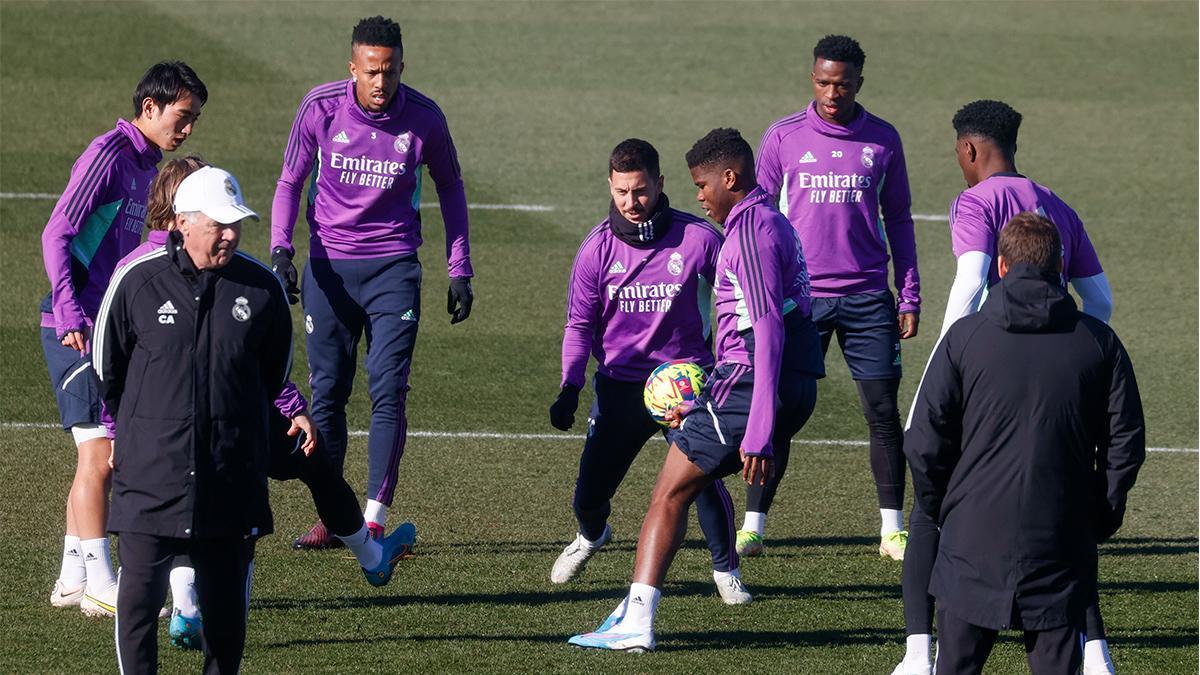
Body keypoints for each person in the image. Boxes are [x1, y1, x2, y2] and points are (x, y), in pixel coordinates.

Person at [111, 159, 415, 653]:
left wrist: (117, 428)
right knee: (254, 483)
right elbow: (252, 364)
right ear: (182, 216)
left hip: (179, 435)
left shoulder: (146, 265)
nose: (228, 231)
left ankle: (188, 605)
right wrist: (293, 402)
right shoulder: (150, 276)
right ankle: (368, 554)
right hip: (228, 429)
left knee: (185, 507)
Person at [568, 128, 824, 652]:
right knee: (682, 488)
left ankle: (637, 620)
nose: (700, 195)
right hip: (789, 381)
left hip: (748, 380)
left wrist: (758, 428)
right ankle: (640, 607)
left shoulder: (748, 230)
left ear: (730, 178)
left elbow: (769, 325)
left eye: (703, 184)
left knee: (667, 493)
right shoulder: (774, 221)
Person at [893, 100, 1115, 675]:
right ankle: (1096, 651)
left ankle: (919, 652)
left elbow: (968, 285)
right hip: (1052, 380)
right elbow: (1103, 303)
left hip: (985, 379)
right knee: (1061, 516)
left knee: (929, 513)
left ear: (968, 149)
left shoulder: (976, 201)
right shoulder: (1057, 207)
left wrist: (943, 369)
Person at [904, 213, 1144, 675]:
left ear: (1000, 266)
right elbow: (1125, 445)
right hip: (1060, 539)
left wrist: (941, 510)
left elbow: (925, 440)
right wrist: (1099, 516)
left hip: (970, 541)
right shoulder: (1099, 344)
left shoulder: (963, 338)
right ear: (1061, 266)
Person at [271, 15, 474, 549]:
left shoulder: (425, 118)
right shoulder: (319, 108)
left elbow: (451, 188)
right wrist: (280, 248)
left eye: (389, 71)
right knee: (329, 392)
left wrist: (460, 268)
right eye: (370, 71)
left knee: (387, 388)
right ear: (352, 68)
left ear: (401, 67)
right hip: (328, 272)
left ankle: (375, 515)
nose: (380, 82)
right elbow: (291, 180)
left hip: (393, 270)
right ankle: (336, 518)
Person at [93, 166, 284, 673]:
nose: (229, 233)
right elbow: (106, 369)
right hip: (151, 479)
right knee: (137, 608)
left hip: (230, 480)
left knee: (225, 621)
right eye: (218, 223)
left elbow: (273, 375)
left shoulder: (261, 288)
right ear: (181, 223)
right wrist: (144, 429)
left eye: (235, 222)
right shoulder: (136, 281)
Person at [548, 138, 748, 604]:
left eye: (639, 191)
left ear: (659, 184)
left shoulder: (699, 239)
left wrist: (725, 367)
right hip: (620, 386)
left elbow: (737, 301)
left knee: (702, 480)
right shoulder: (595, 250)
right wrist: (569, 387)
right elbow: (579, 325)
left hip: (688, 386)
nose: (631, 203)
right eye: (621, 192)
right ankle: (592, 535)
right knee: (588, 495)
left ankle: (726, 569)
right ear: (610, 187)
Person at [40, 61, 207, 617]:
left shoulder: (144, 164)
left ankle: (71, 576)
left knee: (97, 453)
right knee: (101, 455)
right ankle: (100, 583)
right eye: (182, 117)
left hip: (102, 323)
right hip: (75, 328)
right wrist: (68, 311)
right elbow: (57, 231)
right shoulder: (109, 154)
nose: (185, 130)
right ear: (151, 106)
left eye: (194, 121)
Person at [752, 34, 919, 561]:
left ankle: (892, 529)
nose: (832, 92)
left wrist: (908, 292)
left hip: (869, 297)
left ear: (859, 84)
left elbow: (899, 219)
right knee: (779, 408)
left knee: (881, 411)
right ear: (813, 79)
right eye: (824, 82)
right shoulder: (782, 138)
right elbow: (755, 220)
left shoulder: (884, 140)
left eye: (842, 84)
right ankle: (753, 524)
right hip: (801, 299)